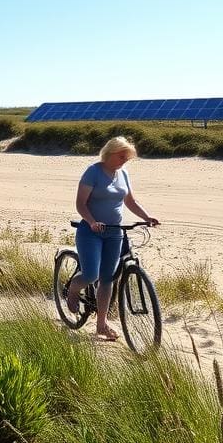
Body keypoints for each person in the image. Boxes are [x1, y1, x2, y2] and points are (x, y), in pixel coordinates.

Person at [66, 136, 160, 341]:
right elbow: (81, 204)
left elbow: (131, 201)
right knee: (91, 275)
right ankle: (73, 289)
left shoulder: (123, 173)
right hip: (91, 232)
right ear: (109, 153)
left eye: (127, 158)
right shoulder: (93, 172)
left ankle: (101, 325)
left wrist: (146, 217)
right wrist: (91, 221)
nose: (124, 161)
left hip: (114, 232)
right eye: (122, 156)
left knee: (108, 279)